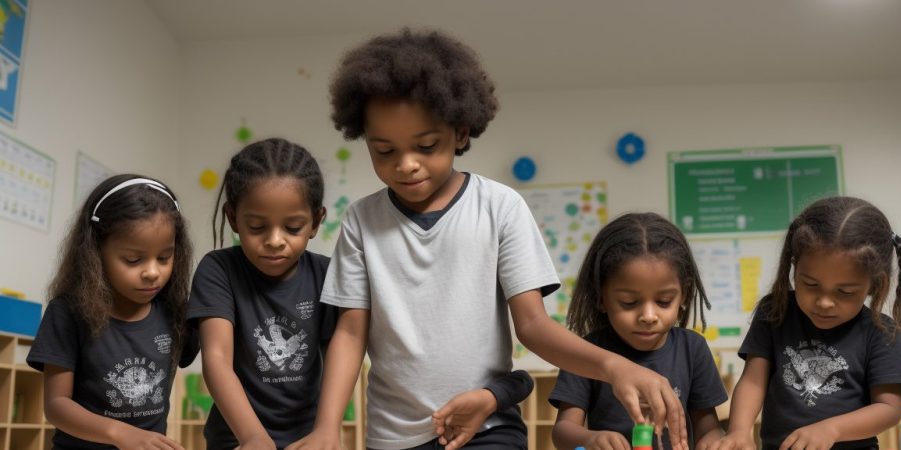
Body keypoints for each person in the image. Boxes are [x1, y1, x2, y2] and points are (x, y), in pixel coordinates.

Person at [312, 28, 689, 450]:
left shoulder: (499, 207)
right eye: (384, 151)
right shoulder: (361, 220)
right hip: (393, 438)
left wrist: (615, 367)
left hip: (488, 428)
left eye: (426, 145)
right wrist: (327, 428)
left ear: (460, 133)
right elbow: (350, 335)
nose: (406, 165)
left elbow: (533, 325)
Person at [709, 196, 901, 450]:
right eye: (810, 284)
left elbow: (888, 409)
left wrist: (832, 429)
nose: (824, 302)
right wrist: (739, 431)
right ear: (794, 266)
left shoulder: (881, 331)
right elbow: (753, 381)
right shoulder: (774, 311)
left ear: (874, 284)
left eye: (845, 292)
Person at [28, 174, 196, 449]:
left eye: (164, 257)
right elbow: (56, 405)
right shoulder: (68, 312)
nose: (152, 272)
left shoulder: (174, 311)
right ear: (95, 251)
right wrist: (120, 434)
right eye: (133, 259)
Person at [188, 138, 336, 449]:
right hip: (236, 437)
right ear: (233, 218)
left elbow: (338, 356)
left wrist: (327, 430)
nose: (275, 240)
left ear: (316, 221)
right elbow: (216, 358)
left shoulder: (326, 274)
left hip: (307, 439)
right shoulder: (218, 270)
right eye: (257, 227)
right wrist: (253, 437)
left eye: (292, 228)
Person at [549, 213, 727, 450]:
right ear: (601, 297)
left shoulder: (692, 348)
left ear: (683, 295)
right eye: (629, 303)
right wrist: (589, 439)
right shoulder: (586, 353)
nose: (648, 316)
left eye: (664, 301)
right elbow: (563, 430)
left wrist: (714, 442)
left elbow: (709, 427)